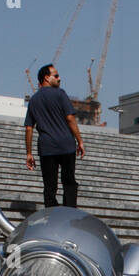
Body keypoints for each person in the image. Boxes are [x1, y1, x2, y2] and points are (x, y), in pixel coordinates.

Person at [24, 64, 85, 208]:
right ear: (46, 77)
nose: (59, 78)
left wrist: (29, 153)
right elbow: (70, 118)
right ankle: (69, 212)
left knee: (49, 186)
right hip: (66, 145)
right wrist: (80, 141)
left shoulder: (33, 100)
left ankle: (52, 215)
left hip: (47, 148)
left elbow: (28, 128)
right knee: (69, 182)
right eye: (56, 76)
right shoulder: (60, 94)